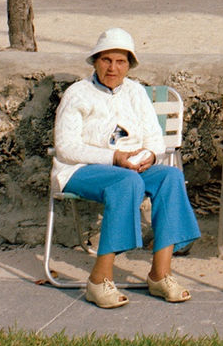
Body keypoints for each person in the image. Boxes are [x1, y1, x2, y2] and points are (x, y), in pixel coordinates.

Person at [51, 27, 201, 308]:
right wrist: (115, 158)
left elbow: (155, 140)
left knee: (170, 176)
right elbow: (66, 148)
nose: (113, 68)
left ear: (129, 65)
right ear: (95, 61)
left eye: (120, 62)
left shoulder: (135, 92)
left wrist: (149, 156)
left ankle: (160, 274)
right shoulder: (77, 94)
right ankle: (98, 280)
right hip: (81, 169)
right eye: (107, 60)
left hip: (130, 166)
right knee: (126, 183)